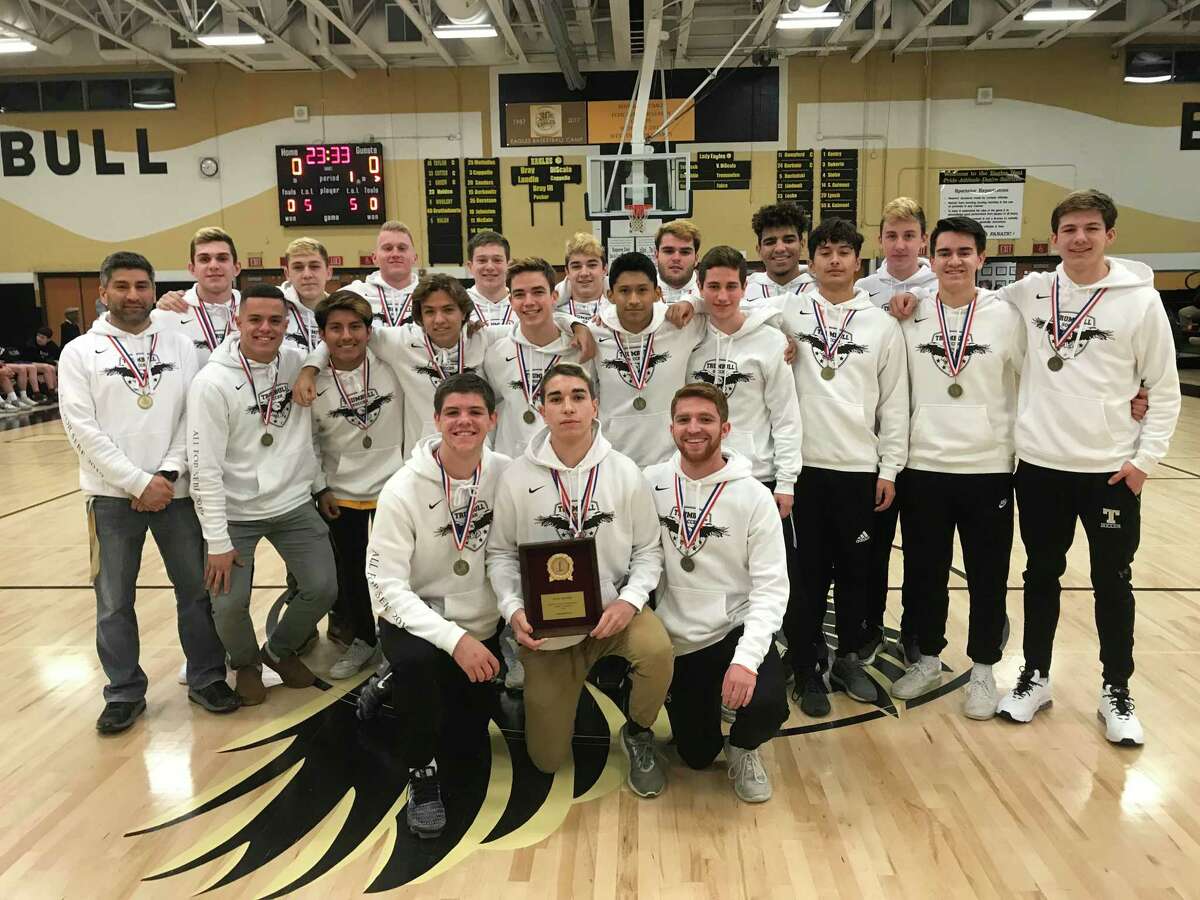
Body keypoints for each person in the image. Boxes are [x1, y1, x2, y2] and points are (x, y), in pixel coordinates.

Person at [892, 190, 1181, 744]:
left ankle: (1103, 688)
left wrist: (1144, 457)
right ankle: (1022, 674)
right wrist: (899, 301)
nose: (1079, 238)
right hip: (1026, 467)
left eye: (1090, 228)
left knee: (1104, 581)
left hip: (1080, 470)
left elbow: (1156, 387)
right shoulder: (1025, 295)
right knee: (1026, 576)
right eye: (1069, 229)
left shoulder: (1124, 303)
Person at [58, 251, 239, 734]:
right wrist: (138, 482)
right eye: (122, 286)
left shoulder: (180, 344)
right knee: (114, 600)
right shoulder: (79, 352)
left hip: (176, 493)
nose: (133, 295)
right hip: (112, 497)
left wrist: (169, 472)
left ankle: (206, 677)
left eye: (141, 286)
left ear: (153, 289)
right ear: (103, 293)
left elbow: (191, 416)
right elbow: (81, 429)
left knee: (197, 592)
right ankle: (123, 692)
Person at [486, 363, 672, 796]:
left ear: (595, 406)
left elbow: (648, 551)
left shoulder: (626, 472)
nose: (567, 407)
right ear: (540, 410)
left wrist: (629, 601)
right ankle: (542, 697)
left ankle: (639, 730)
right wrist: (513, 612)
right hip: (548, 631)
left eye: (576, 397)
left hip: (613, 613)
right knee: (546, 760)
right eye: (556, 399)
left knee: (658, 651)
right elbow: (499, 554)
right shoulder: (516, 477)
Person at [887, 217, 1023, 718]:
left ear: (981, 258)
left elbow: (1039, 380)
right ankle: (926, 658)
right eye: (944, 252)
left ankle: (985, 669)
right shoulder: (908, 314)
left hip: (988, 467)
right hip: (923, 465)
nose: (954, 261)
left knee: (988, 574)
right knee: (924, 573)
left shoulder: (1007, 316)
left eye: (965, 252)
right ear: (931, 257)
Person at [365, 373, 511, 838]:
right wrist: (454, 639)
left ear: (493, 419)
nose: (463, 421)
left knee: (466, 741)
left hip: (482, 622)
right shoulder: (402, 489)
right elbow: (385, 584)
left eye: (474, 412)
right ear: (436, 420)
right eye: (453, 412)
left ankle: (393, 686)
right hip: (416, 623)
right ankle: (420, 773)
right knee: (421, 680)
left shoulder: (509, 475)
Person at [776, 217, 908, 716]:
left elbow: (894, 403)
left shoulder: (881, 324)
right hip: (804, 469)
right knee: (805, 577)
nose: (833, 260)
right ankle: (807, 666)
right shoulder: (786, 311)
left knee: (857, 573)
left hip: (858, 470)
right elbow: (723, 309)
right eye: (824, 251)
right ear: (810, 261)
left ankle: (850, 657)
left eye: (843, 252)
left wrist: (889, 468)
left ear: (859, 261)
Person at [187, 284, 338, 705]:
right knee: (229, 606)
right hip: (235, 515)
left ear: (287, 324)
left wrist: (318, 484)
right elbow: (204, 470)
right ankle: (246, 663)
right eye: (255, 319)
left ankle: (279, 650)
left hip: (292, 504)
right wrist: (217, 541)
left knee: (323, 587)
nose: (265, 328)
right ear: (238, 322)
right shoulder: (211, 383)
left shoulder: (294, 362)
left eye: (275, 320)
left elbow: (323, 349)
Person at [646, 383, 789, 803]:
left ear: (725, 428)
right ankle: (705, 712)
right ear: (671, 427)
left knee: (766, 705)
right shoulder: (650, 483)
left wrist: (746, 662)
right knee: (696, 755)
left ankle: (744, 746)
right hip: (677, 638)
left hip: (732, 630)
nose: (695, 429)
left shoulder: (754, 496)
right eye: (685, 420)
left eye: (706, 420)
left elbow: (771, 588)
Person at [854, 198, 939, 663]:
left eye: (910, 235)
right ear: (880, 239)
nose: (901, 244)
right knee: (874, 548)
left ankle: (914, 631)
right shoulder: (862, 289)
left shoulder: (944, 285)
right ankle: (868, 626)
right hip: (876, 443)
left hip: (927, 445)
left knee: (923, 552)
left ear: (923, 240)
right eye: (892, 235)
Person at [308, 291, 407, 679]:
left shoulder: (391, 364)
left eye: (354, 327)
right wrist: (320, 487)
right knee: (351, 573)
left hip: (393, 488)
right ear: (322, 334)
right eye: (335, 328)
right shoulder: (311, 377)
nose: (346, 336)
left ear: (369, 331)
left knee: (395, 570)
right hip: (341, 493)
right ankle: (363, 639)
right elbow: (309, 440)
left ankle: (398, 640)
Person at [589, 252, 706, 466]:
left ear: (657, 293)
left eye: (642, 290)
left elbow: (727, 307)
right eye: (624, 291)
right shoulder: (594, 333)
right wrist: (572, 324)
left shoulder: (679, 324)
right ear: (610, 295)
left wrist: (692, 302)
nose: (634, 300)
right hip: (612, 460)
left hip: (671, 461)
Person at [483, 258, 597, 458]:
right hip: (513, 467)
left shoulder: (582, 350)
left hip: (570, 465)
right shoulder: (496, 354)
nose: (529, 302)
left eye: (538, 292)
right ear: (510, 301)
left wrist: (576, 324)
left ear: (554, 296)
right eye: (519, 294)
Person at [154, 226, 243, 366]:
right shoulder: (165, 316)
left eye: (222, 258)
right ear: (192, 269)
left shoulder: (254, 310)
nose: (213, 265)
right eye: (204, 259)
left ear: (236, 268)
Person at [344, 221, 421, 326]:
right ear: (374, 258)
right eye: (388, 248)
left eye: (402, 248)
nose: (395, 254)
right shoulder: (352, 295)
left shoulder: (429, 295)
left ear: (414, 257)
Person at [745, 202, 814, 301]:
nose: (780, 249)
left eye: (788, 240)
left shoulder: (821, 289)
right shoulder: (744, 290)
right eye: (770, 242)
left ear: (802, 245)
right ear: (759, 250)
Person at [279, 236, 334, 351]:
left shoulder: (341, 310)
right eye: (298, 267)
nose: (307, 275)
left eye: (314, 266)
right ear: (287, 274)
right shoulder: (274, 308)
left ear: (329, 272)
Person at [555, 233, 608, 320]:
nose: (584, 273)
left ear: (604, 270)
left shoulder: (618, 314)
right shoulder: (554, 315)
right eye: (576, 266)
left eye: (592, 265)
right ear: (567, 272)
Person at [465, 231, 514, 325]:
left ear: (508, 265)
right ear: (470, 266)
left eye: (497, 260)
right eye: (482, 260)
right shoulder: (458, 305)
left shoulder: (523, 305)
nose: (490, 267)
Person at [653, 220, 702, 303]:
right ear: (656, 256)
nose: (676, 258)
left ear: (696, 259)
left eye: (685, 252)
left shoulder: (709, 297)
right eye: (668, 251)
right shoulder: (640, 296)